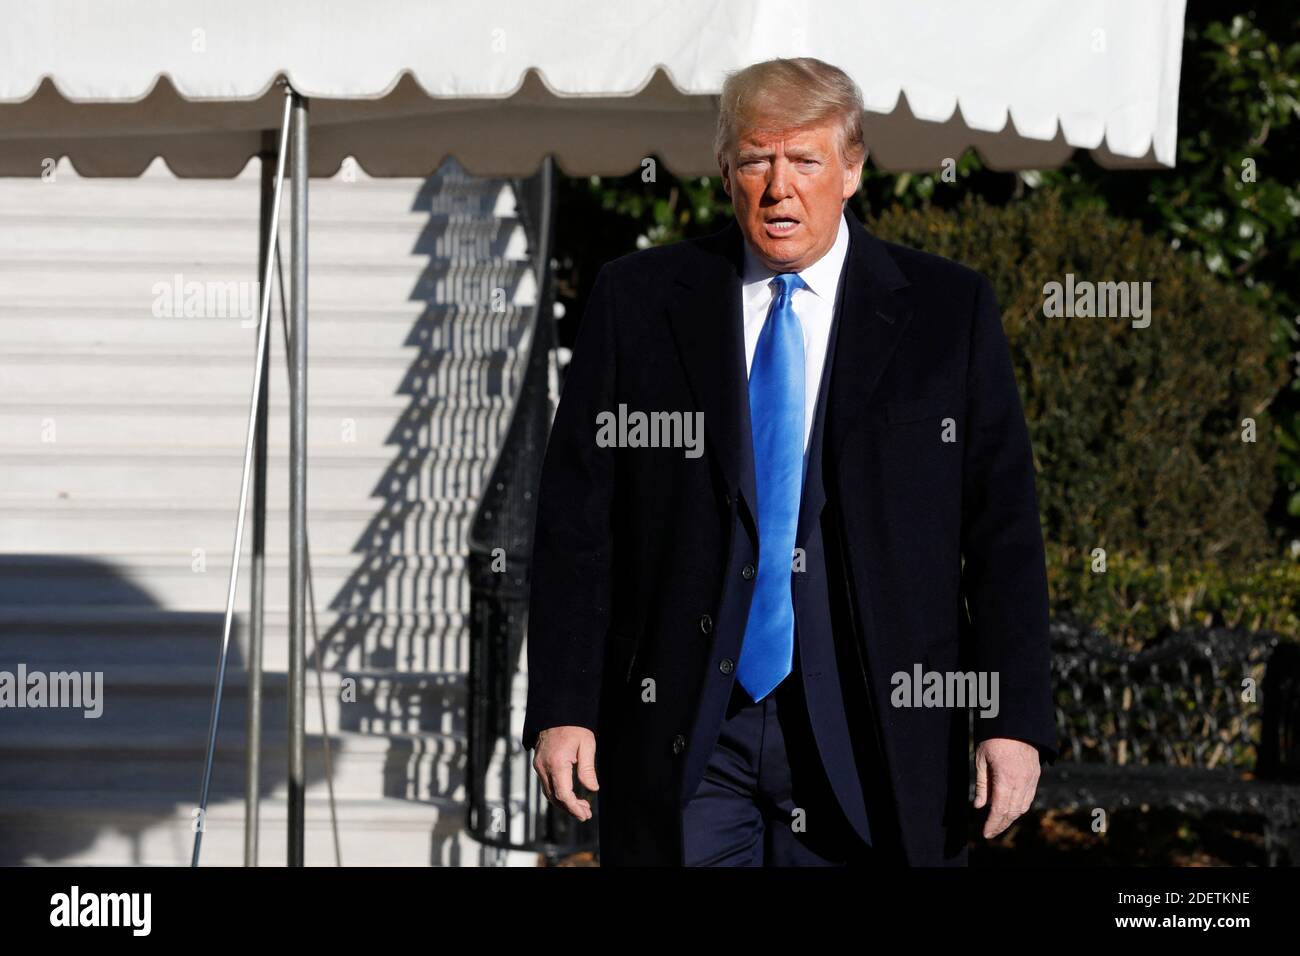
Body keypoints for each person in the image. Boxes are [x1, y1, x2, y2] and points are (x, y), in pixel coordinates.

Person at [522, 56, 1056, 866]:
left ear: (851, 170)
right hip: (688, 733)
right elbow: (577, 523)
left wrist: (1013, 717)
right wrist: (564, 704)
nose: (779, 188)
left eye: (805, 160)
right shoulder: (636, 301)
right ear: (726, 172)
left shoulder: (949, 312)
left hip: (876, 729)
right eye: (755, 160)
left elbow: (1003, 533)